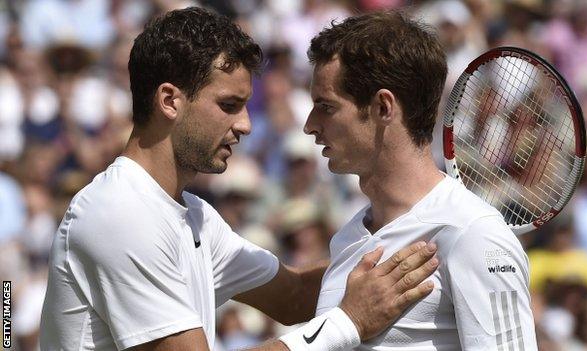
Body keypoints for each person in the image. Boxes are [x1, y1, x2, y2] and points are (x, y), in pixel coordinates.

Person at [38, 7, 439, 351]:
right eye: (229, 105)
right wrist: (347, 324)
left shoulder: (194, 215)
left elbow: (295, 295)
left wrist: (426, 237)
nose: (245, 125)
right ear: (169, 101)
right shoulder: (121, 213)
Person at [303, 11, 538, 350]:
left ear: (384, 107)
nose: (310, 124)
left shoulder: (474, 232)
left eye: (326, 106)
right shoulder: (347, 237)